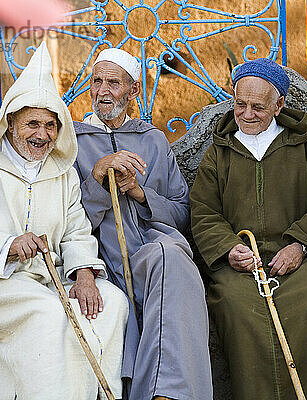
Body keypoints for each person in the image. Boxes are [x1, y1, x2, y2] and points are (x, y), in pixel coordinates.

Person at [0, 42, 128, 400]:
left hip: (52, 276)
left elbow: (77, 231)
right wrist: (7, 246)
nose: (41, 135)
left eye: (49, 125)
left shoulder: (62, 172)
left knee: (112, 303)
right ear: (10, 122)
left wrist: (85, 274)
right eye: (32, 123)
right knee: (48, 313)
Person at [190, 58, 307, 400]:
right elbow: (203, 212)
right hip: (240, 266)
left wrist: (299, 245)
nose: (246, 114)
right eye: (240, 104)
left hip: (301, 261)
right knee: (236, 305)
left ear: (279, 105)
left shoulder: (304, 148)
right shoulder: (219, 153)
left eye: (258, 107)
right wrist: (229, 248)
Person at [73, 48, 212, 400]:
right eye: (97, 81)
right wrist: (98, 178)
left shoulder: (153, 140)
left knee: (169, 256)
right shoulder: (73, 144)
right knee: (169, 262)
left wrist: (139, 192)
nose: (103, 91)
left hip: (152, 251)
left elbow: (182, 213)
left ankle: (166, 393)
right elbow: (66, 218)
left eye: (114, 83)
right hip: (104, 256)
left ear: (133, 91)